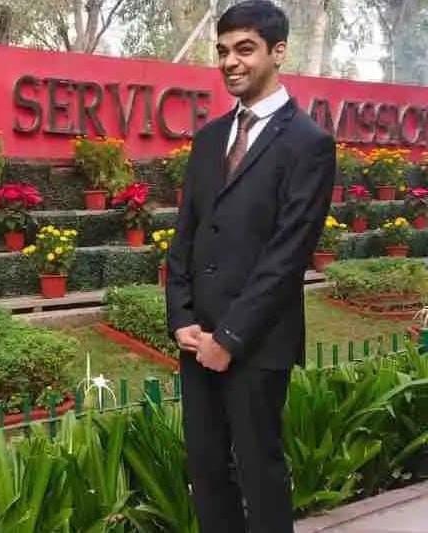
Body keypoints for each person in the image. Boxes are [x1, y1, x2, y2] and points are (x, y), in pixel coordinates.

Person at [165, 1, 336, 532]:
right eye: (222, 51)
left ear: (278, 52)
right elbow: (186, 235)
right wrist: (181, 318)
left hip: (258, 342)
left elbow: (288, 255)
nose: (230, 62)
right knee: (207, 469)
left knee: (260, 472)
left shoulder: (309, 144)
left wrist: (230, 338)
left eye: (245, 49)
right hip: (198, 340)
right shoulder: (209, 139)